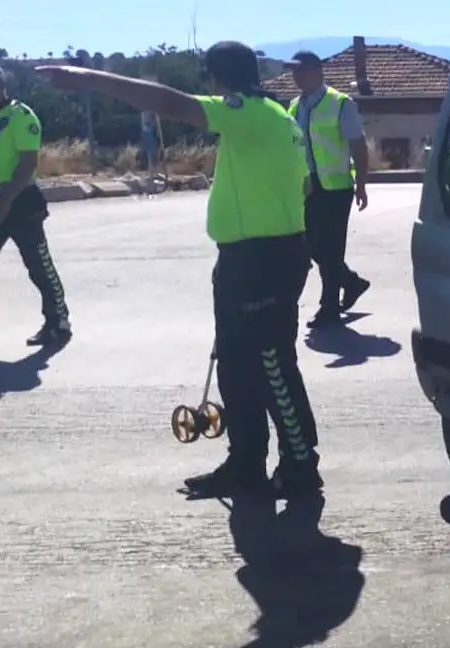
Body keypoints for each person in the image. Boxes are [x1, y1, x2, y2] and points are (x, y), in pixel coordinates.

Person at [38, 42, 323, 499]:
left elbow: (173, 104)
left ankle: (301, 465)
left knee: (271, 364)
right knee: (233, 366)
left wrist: (89, 79)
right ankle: (245, 463)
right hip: (250, 257)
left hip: (261, 261)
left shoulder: (248, 111)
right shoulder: (275, 119)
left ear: (217, 78)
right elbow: (302, 186)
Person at [0, 58, 73, 348]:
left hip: (18, 201)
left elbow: (26, 164)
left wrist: (4, 201)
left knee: (38, 263)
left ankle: (58, 322)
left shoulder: (21, 116)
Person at [283, 50, 370, 328]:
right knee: (311, 246)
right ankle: (351, 282)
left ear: (318, 71)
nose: (297, 76)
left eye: (302, 70)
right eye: (294, 71)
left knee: (332, 249)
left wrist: (362, 184)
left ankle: (329, 307)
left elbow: (358, 144)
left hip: (336, 188)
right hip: (307, 189)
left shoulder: (340, 103)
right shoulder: (294, 106)